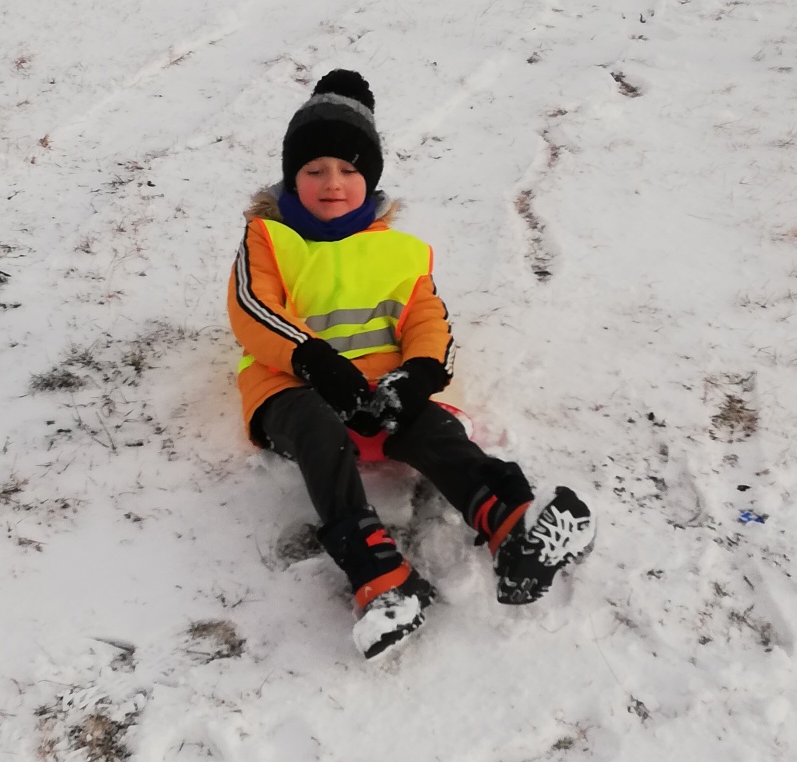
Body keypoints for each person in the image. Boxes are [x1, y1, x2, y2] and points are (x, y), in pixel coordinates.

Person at [228, 70, 595, 659]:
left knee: (430, 426)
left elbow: (429, 320)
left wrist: (417, 375)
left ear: (369, 178)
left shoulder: (400, 250)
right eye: (315, 169)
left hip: (379, 390)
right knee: (319, 432)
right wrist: (317, 365)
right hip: (292, 387)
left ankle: (512, 527)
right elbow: (253, 310)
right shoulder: (267, 239)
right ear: (291, 178)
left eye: (349, 170)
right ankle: (379, 576)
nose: (332, 183)